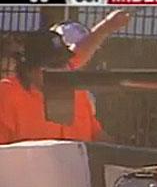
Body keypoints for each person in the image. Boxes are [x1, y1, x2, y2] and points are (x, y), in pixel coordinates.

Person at [0, 10, 130, 145]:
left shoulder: (76, 91)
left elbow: (98, 137)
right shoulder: (7, 96)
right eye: (53, 65)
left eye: (64, 63)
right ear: (29, 70)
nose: (62, 69)